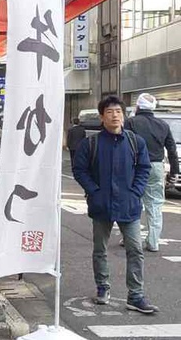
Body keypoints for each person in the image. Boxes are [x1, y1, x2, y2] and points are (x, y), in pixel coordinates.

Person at [72, 96, 158, 314]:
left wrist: (136, 191)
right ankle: (103, 287)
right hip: (102, 204)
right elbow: (79, 170)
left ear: (124, 115)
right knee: (100, 249)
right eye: (109, 112)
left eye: (118, 111)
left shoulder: (135, 141)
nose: (115, 115)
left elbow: (144, 168)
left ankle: (136, 295)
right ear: (102, 117)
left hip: (129, 204)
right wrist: (94, 191)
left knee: (136, 249)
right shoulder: (91, 143)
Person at [125, 93, 179, 252]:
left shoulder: (131, 122)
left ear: (138, 107)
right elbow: (171, 149)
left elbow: (123, 144)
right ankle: (153, 241)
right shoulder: (163, 125)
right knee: (155, 203)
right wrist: (175, 170)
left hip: (134, 165)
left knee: (133, 201)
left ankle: (130, 238)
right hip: (156, 166)